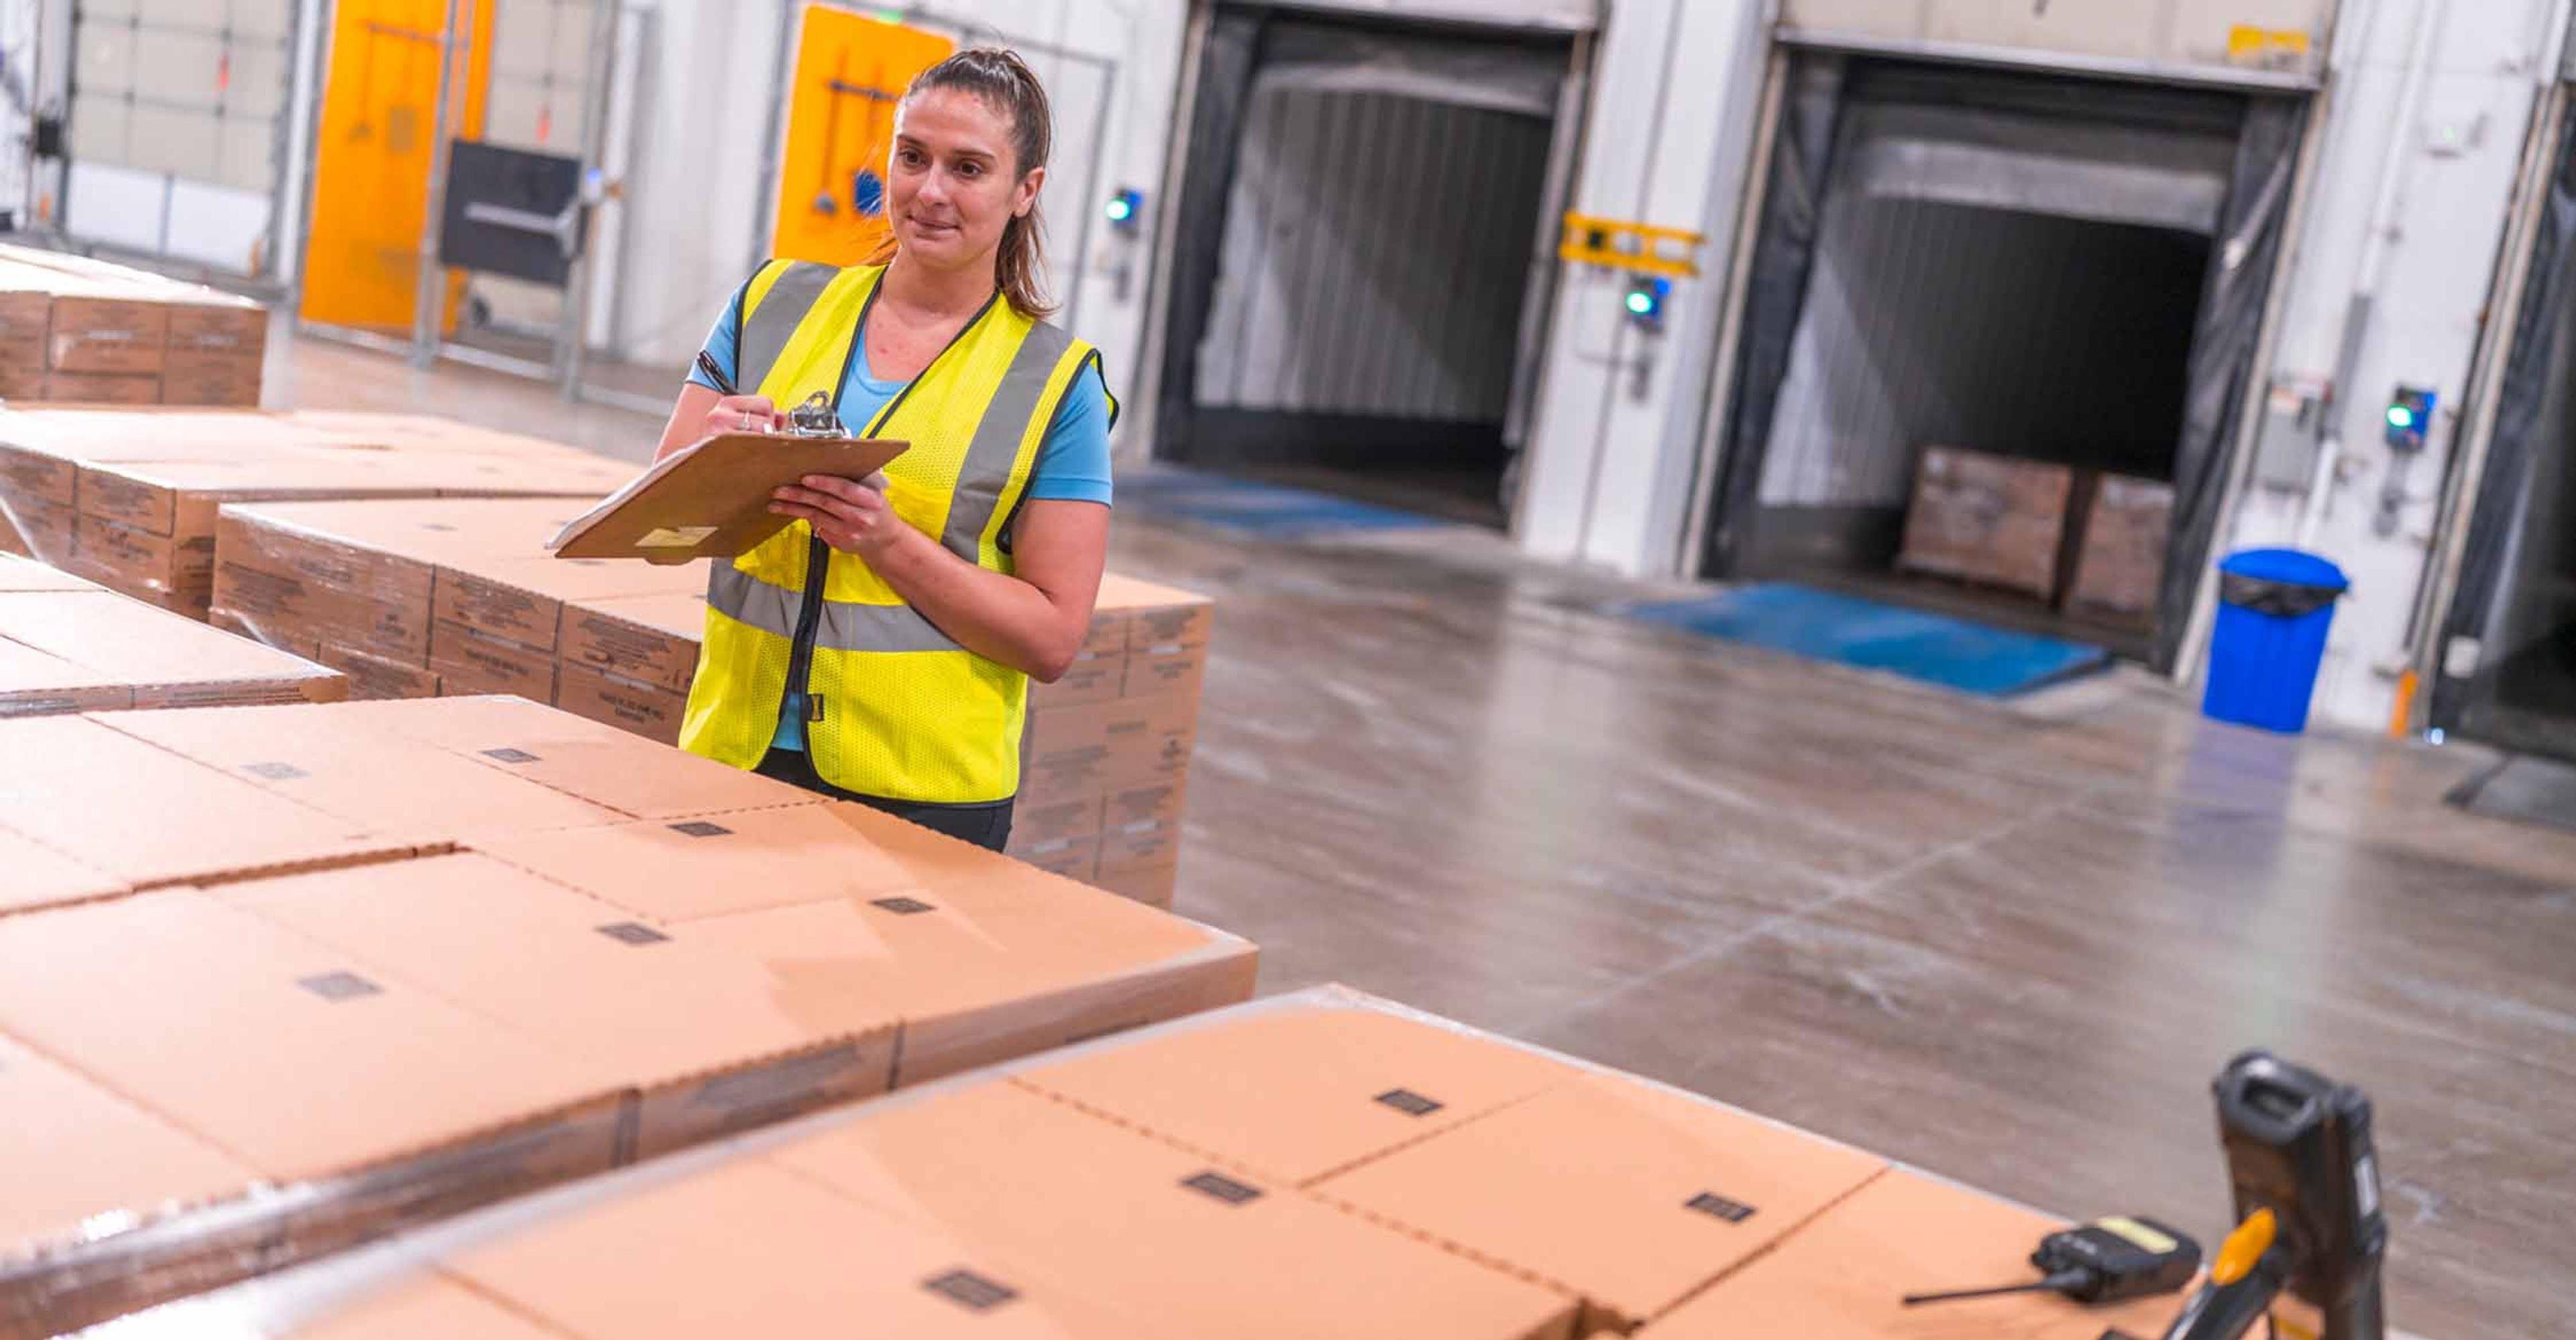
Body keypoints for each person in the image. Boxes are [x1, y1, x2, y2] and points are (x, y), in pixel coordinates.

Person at [656, 48, 1114, 853]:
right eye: (913, 157)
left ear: (1025, 191)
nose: (930, 190)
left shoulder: (1056, 384)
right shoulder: (771, 304)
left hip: (921, 793)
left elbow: (1051, 640)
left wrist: (890, 544)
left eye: (968, 167)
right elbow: (660, 532)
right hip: (734, 750)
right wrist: (709, 467)